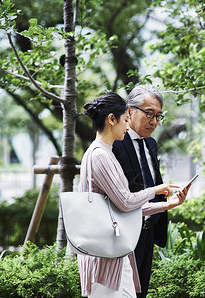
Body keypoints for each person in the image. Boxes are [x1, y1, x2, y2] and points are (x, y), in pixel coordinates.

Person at [78, 92, 188, 297]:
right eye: (125, 120)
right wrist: (155, 191)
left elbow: (122, 206)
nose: (127, 127)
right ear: (112, 119)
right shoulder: (100, 155)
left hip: (117, 249)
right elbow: (126, 202)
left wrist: (165, 205)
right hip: (106, 253)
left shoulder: (104, 153)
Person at [113, 85, 190, 298]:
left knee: (140, 293)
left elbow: (151, 183)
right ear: (129, 111)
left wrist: (169, 198)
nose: (154, 121)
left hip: (148, 230)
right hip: (124, 232)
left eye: (158, 116)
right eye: (149, 114)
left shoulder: (151, 144)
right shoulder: (117, 142)